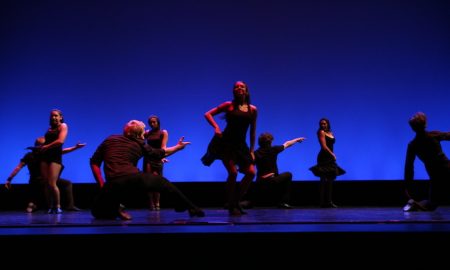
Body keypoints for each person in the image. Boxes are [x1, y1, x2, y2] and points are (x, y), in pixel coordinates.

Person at [90, 120, 204, 220]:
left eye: (132, 122)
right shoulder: (125, 141)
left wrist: (102, 184)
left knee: (99, 211)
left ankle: (115, 208)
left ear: (131, 131)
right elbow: (160, 153)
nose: (131, 122)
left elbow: (94, 162)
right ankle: (189, 207)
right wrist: (178, 147)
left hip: (117, 181)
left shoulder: (119, 139)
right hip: (133, 179)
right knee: (162, 183)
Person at [202, 81, 257, 216]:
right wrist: (216, 127)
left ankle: (235, 202)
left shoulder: (252, 109)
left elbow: (253, 131)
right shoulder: (229, 105)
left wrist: (251, 149)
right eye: (236, 87)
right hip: (226, 143)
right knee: (233, 173)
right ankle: (232, 203)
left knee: (251, 173)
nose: (238, 88)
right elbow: (208, 114)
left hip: (241, 145)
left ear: (246, 90)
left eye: (241, 86)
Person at [5, 136, 86, 212]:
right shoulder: (34, 155)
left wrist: (9, 179)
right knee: (58, 184)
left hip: (39, 180)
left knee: (66, 183)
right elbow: (18, 167)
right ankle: (51, 206)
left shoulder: (37, 154)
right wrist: (9, 179)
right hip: (39, 181)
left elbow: (63, 151)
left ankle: (67, 206)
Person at [403, 112, 450, 212]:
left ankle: (414, 204)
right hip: (446, 168)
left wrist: (408, 185)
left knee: (432, 203)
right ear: (425, 124)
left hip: (434, 174)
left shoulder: (413, 144)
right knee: (433, 202)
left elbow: (409, 167)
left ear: (412, 128)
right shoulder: (433, 135)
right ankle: (416, 204)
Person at [245, 132, 305, 209]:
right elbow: (287, 144)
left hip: (260, 182)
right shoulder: (273, 150)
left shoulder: (256, 153)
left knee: (251, 201)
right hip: (271, 180)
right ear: (269, 142)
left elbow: (248, 165)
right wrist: (296, 140)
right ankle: (283, 202)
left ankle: (247, 202)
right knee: (288, 174)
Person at [309, 118, 345, 208]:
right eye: (321, 124)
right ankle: (321, 202)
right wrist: (332, 154)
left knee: (330, 179)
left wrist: (332, 155)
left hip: (330, 158)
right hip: (324, 157)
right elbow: (324, 146)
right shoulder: (321, 132)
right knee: (323, 180)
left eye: (324, 124)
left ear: (328, 124)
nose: (323, 125)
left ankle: (329, 201)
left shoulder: (331, 133)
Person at [39, 109, 69, 214]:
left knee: (52, 183)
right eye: (52, 116)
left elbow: (60, 141)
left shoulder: (63, 126)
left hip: (55, 157)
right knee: (46, 183)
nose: (53, 117)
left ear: (61, 117)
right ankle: (50, 206)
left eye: (56, 116)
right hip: (45, 157)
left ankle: (57, 206)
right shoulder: (49, 129)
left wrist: (46, 146)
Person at [143, 115, 168, 211]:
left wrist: (163, 157)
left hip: (157, 157)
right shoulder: (147, 133)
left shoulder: (163, 132)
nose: (152, 124)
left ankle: (157, 202)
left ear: (158, 122)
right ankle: (151, 203)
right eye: (150, 122)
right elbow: (140, 141)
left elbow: (163, 146)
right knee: (149, 181)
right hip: (148, 158)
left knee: (157, 180)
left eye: (154, 122)